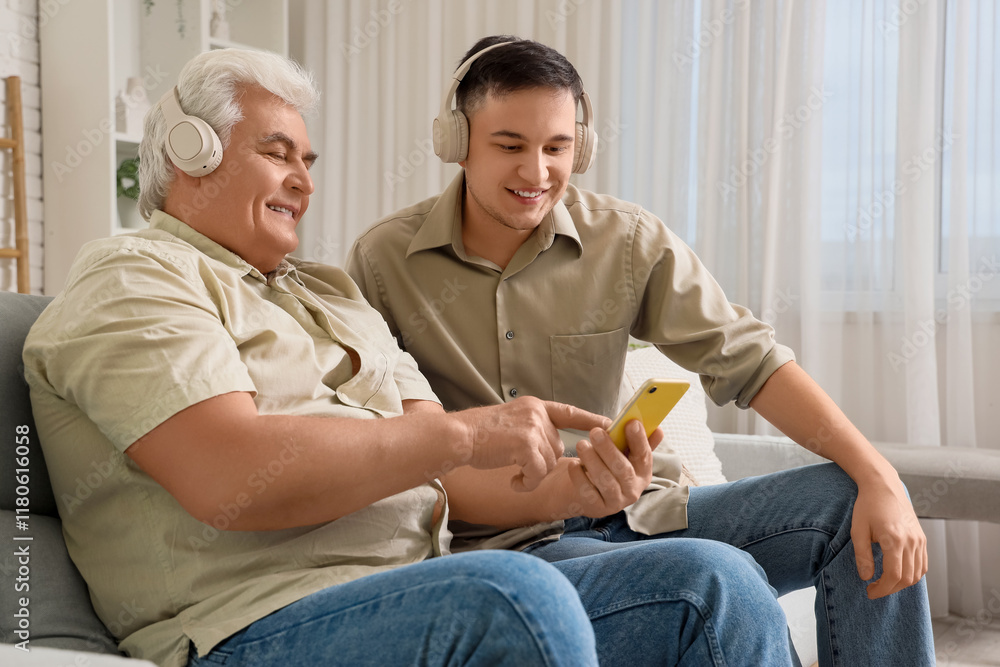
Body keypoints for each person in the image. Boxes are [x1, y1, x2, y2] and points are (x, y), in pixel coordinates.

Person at [22, 48, 796, 667]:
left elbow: (441, 472)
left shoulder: (326, 291)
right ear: (190, 153)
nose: (304, 180)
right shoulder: (136, 277)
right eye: (278, 154)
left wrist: (571, 491)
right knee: (515, 595)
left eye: (310, 160)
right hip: (254, 621)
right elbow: (227, 474)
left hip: (418, 585)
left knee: (716, 581)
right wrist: (468, 431)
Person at [346, 35, 936, 666]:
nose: (537, 172)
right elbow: (383, 451)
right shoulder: (383, 263)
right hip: (516, 547)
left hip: (643, 511)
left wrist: (881, 475)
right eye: (510, 146)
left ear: (583, 146)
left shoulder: (626, 243)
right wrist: (559, 489)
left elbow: (752, 359)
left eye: (557, 147)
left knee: (852, 502)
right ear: (456, 143)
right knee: (716, 576)